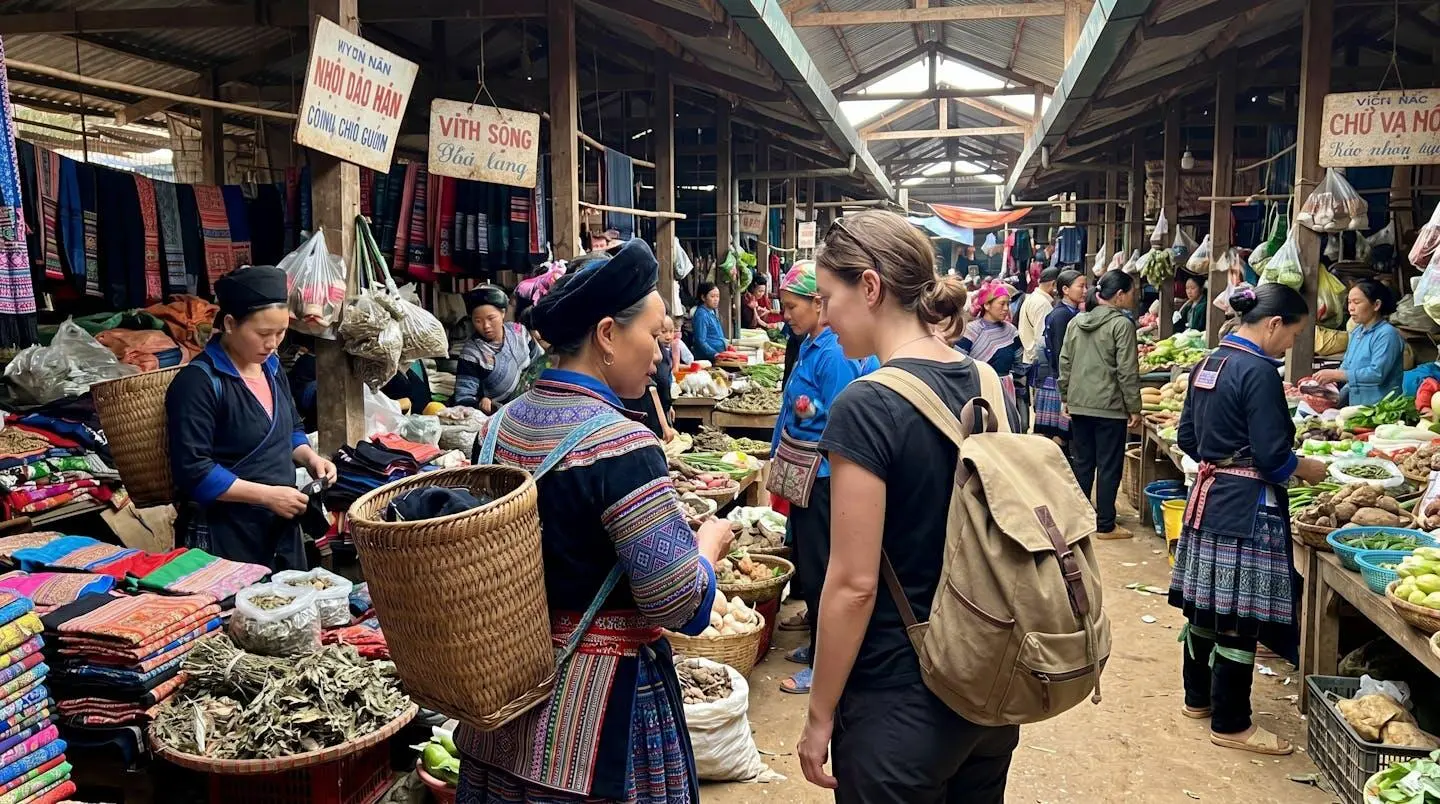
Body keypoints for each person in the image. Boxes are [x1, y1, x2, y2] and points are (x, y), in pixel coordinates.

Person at [457, 238, 733, 803]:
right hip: (601, 718)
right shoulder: (622, 443)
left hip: (501, 701)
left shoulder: (499, 427)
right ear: (607, 335)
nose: (661, 353)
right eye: (654, 336)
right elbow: (675, 601)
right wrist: (707, 549)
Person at [796, 210, 1020, 803]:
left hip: (901, 703)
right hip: (989, 688)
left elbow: (852, 585)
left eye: (827, 297)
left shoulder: (866, 406)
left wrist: (819, 717)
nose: (824, 316)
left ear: (870, 287)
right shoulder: (989, 384)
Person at [1169, 283, 1327, 757]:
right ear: (1274, 323)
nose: (1290, 345)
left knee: (1205, 605)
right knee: (1240, 615)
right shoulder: (1258, 370)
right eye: (1294, 335)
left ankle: (1198, 699)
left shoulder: (1208, 362)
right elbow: (1275, 457)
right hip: (1246, 505)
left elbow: (1187, 437)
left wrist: (1221, 459)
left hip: (1208, 493)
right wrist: (1305, 468)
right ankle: (1232, 723)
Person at [165, 265, 336, 570]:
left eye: (281, 333)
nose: (273, 344)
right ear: (230, 324)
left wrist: (310, 458)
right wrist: (267, 496)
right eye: (263, 334)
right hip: (222, 537)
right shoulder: (198, 383)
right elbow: (194, 471)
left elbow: (291, 428)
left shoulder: (271, 370)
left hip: (278, 531)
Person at [768, 260, 876, 695]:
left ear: (818, 303)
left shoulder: (832, 353)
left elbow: (847, 418)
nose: (786, 315)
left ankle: (823, 661)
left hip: (827, 476)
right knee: (813, 562)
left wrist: (810, 412)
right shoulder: (814, 343)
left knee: (823, 566)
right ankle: (817, 642)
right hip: (810, 473)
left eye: (792, 306)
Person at [1059, 269, 1141, 539]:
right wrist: (1134, 408)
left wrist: (1065, 397)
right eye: (1131, 292)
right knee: (1108, 465)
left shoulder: (1076, 322)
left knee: (1083, 463)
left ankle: (1080, 521)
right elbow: (1127, 371)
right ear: (1119, 295)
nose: (1133, 297)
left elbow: (1065, 362)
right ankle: (1105, 524)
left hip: (1080, 404)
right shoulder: (1122, 325)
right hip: (1109, 407)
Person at [453, 285, 544, 413]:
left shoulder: (519, 332)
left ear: (503, 313)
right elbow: (464, 397)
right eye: (478, 321)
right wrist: (481, 403)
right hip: (498, 415)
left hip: (534, 404)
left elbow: (540, 362)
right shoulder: (471, 354)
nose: (486, 326)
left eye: (491, 318)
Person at [1311, 279, 1403, 405]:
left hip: (1381, 409)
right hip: (1356, 407)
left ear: (1376, 305)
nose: (1351, 308)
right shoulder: (1356, 332)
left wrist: (1337, 375)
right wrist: (1330, 384)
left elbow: (1377, 374)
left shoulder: (1387, 334)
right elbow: (1347, 365)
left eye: (1357, 302)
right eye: (1349, 302)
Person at [1034, 270, 1086, 443]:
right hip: (1059, 379)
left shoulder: (1069, 312)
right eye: (1081, 286)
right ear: (1065, 289)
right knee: (1059, 435)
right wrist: (1065, 383)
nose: (1085, 291)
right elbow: (1060, 352)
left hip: (1059, 377)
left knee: (1059, 433)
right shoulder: (1061, 315)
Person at [957, 280, 1022, 401]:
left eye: (1008, 304)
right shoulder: (972, 331)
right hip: (979, 390)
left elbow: (1019, 361)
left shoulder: (1011, 331)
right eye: (1002, 304)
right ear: (987, 305)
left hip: (1006, 391)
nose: (1006, 308)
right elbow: (959, 362)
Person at [1019, 267, 1059, 367]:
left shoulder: (1033, 298)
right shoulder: (1042, 304)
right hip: (1038, 362)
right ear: (1053, 284)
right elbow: (1042, 339)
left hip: (1031, 359)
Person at [690, 281, 727, 361]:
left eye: (717, 296)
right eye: (712, 296)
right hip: (707, 358)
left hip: (719, 355)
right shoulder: (701, 315)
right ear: (703, 297)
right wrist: (714, 354)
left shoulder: (711, 311)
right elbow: (700, 340)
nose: (716, 299)